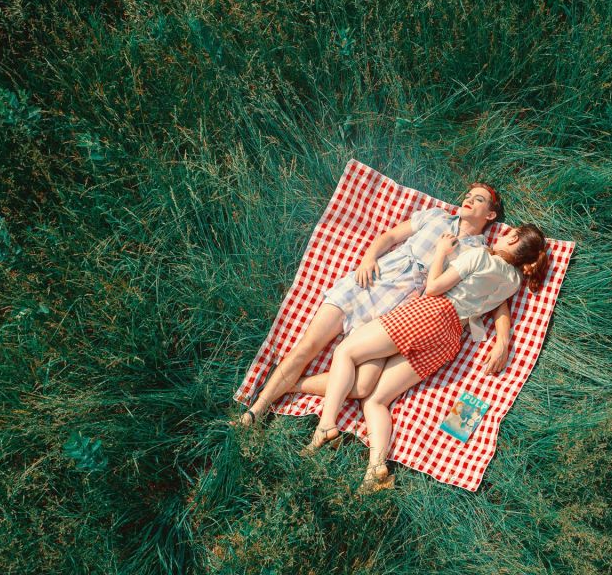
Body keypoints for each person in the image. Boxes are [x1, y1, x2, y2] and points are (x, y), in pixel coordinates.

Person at [232, 183, 514, 427]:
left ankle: (291, 387)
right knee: (307, 347)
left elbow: (497, 301)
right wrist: (368, 259)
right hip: (373, 281)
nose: (469, 199)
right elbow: (391, 237)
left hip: (400, 312)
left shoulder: (481, 253)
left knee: (364, 385)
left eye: (479, 199)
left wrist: (503, 340)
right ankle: (256, 411)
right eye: (468, 194)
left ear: (490, 215)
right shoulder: (436, 217)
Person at [298, 223, 550, 494]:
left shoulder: (479, 256)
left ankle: (326, 425)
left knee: (345, 351)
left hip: (432, 313)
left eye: (506, 234)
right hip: (450, 340)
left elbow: (433, 288)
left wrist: (441, 252)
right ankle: (376, 469)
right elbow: (499, 307)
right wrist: (504, 340)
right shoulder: (513, 282)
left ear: (513, 239)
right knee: (375, 400)